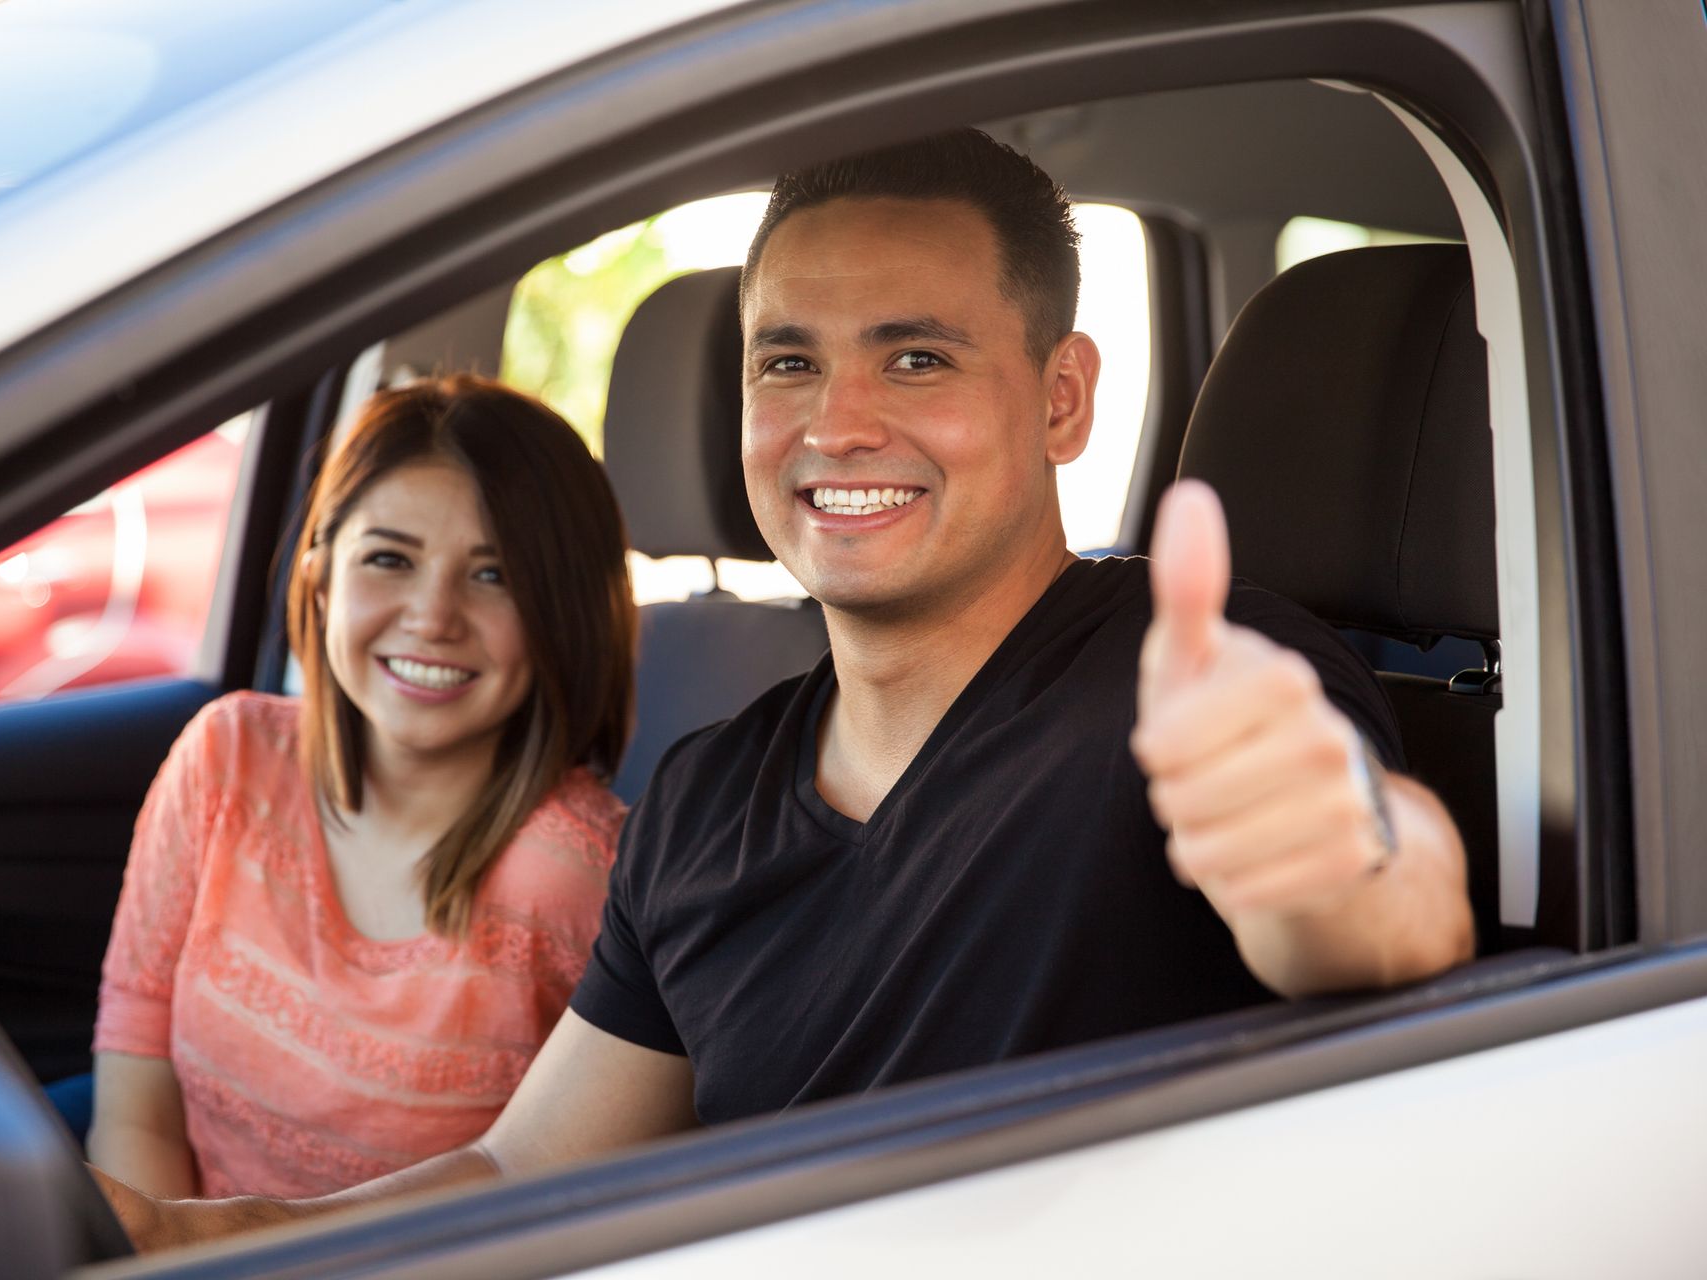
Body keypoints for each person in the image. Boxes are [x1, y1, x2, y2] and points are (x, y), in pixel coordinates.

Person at [98, 129, 1473, 1245]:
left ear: (1062, 400)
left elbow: (1384, 916)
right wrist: (195, 1239)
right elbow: (526, 1180)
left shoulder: (1211, 672)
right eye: (789, 361)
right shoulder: (702, 796)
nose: (837, 421)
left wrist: (1339, 854)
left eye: (915, 355)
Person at [86, 375, 636, 1200]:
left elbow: (575, 1198)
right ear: (319, 579)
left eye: (494, 576)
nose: (432, 616)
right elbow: (136, 1108)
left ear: (559, 614)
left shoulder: (580, 874)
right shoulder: (226, 759)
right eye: (389, 559)